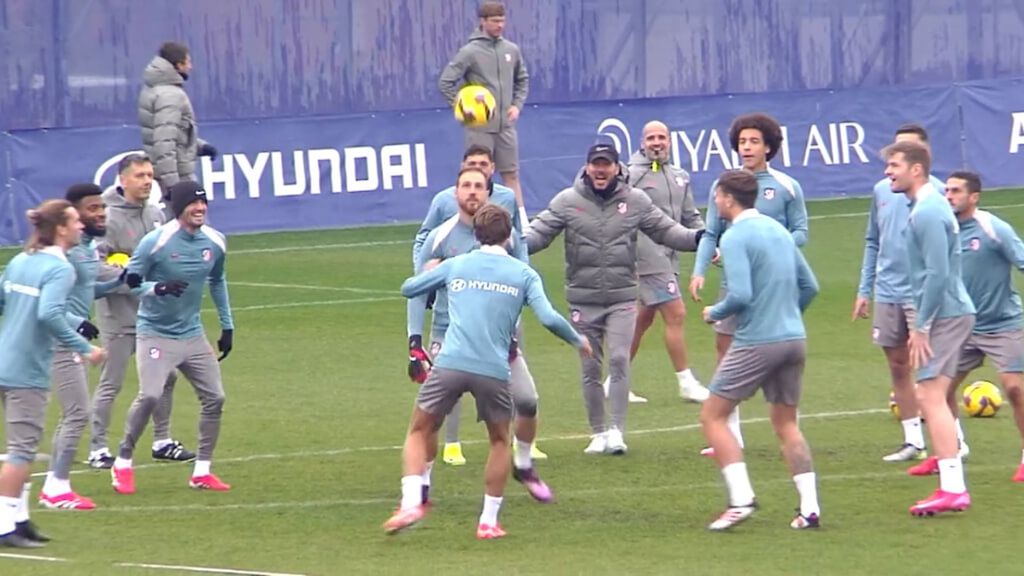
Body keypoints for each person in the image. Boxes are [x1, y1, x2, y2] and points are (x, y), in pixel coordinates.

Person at [384, 199, 592, 539]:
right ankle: (488, 521)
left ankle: (410, 503)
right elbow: (549, 318)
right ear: (508, 236)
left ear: (476, 234)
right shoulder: (524, 273)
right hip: (494, 369)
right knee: (499, 441)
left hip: (450, 363)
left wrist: (430, 270)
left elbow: (409, 289)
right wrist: (577, 340)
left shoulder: (457, 264)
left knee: (419, 430)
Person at [526, 143, 702, 455]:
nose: (600, 170)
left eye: (606, 164)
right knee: (590, 368)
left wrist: (698, 238)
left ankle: (617, 431)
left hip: (622, 296)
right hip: (583, 297)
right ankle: (598, 433)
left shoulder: (635, 201)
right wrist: (502, 244)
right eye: (595, 164)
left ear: (617, 168)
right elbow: (538, 235)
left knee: (619, 358)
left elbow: (667, 231)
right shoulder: (567, 201)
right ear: (587, 167)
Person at [410, 167, 551, 504]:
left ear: (488, 193)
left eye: (479, 186)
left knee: (528, 400)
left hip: (499, 343)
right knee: (432, 416)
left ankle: (524, 463)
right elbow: (415, 291)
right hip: (448, 336)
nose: (472, 192)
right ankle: (424, 481)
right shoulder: (439, 237)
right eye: (466, 186)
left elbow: (524, 279)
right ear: (455, 192)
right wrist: (414, 341)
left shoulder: (508, 238)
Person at [697, 169, 820, 531]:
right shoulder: (779, 231)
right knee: (785, 423)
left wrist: (713, 312)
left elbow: (740, 295)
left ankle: (741, 499)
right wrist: (787, 316)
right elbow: (809, 286)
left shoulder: (735, 237)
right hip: (794, 338)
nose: (715, 201)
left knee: (712, 416)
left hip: (757, 341)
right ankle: (809, 508)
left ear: (728, 198)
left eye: (717, 195)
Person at [689, 112, 809, 457]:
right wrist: (699, 270)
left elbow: (801, 231)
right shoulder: (722, 186)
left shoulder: (786, 187)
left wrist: (769, 247)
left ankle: (787, 427)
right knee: (725, 352)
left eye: (754, 141)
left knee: (777, 357)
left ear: (769, 147)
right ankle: (731, 434)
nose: (747, 147)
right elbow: (711, 231)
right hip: (733, 281)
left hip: (773, 286)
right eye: (742, 141)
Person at [112, 181, 234, 494]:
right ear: (179, 208)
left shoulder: (216, 242)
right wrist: (157, 289)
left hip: (192, 333)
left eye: (203, 204)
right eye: (194, 204)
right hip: (155, 333)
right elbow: (131, 281)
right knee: (151, 395)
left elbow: (217, 281)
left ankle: (202, 471)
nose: (200, 209)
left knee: (215, 398)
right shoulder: (156, 242)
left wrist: (227, 326)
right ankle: (123, 460)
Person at [0, 200, 106, 548]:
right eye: (75, 221)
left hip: (5, 360)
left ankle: (20, 519)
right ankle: (3, 527)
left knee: (24, 447)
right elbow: (49, 314)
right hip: (27, 368)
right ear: (60, 228)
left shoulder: (21, 260)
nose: (81, 226)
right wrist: (84, 347)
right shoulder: (60, 269)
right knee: (21, 451)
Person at [881, 140, 975, 516]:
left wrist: (921, 325)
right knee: (932, 393)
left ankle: (953, 486)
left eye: (894, 166)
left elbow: (938, 272)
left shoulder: (929, 212)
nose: (888, 172)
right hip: (944, 311)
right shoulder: (925, 207)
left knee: (930, 395)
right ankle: (950, 474)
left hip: (946, 314)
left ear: (916, 169)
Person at [853, 124, 950, 463]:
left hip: (920, 293)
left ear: (921, 159)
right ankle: (913, 440)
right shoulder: (882, 190)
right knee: (897, 366)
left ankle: (954, 441)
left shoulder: (939, 195)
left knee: (930, 370)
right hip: (888, 289)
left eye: (904, 153)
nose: (894, 160)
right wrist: (865, 288)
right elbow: (872, 240)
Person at [89, 154, 194, 469]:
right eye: (140, 176)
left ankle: (162, 441)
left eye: (150, 175)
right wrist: (130, 279)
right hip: (118, 315)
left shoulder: (156, 214)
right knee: (113, 381)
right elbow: (96, 267)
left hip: (153, 315)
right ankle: (98, 448)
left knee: (167, 377)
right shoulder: (106, 218)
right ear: (122, 179)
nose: (147, 181)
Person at [38, 185, 125, 511]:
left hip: (70, 336)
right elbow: (48, 302)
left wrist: (118, 282)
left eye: (102, 207)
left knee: (73, 413)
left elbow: (87, 291)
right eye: (91, 209)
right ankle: (55, 487)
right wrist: (77, 322)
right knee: (76, 412)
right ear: (72, 216)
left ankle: (54, 484)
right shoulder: (66, 255)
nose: (100, 213)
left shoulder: (88, 249)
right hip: (59, 339)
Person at [610, 120, 708, 404]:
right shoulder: (630, 174)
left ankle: (613, 381)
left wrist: (706, 241)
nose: (656, 143)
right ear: (642, 143)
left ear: (669, 142)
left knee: (642, 319)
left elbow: (690, 216)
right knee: (675, 313)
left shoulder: (680, 176)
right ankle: (686, 382)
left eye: (661, 138)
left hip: (670, 255)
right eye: (651, 138)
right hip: (645, 255)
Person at [944, 171, 1024, 481]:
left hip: (1002, 323)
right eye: (947, 190)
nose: (949, 196)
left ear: (974, 197)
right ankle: (952, 448)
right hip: (961, 325)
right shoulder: (944, 230)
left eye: (956, 191)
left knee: (1015, 390)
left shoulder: (993, 228)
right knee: (938, 391)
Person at [438, 1, 529, 226]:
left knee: (511, 174)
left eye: (502, 20)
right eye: (495, 21)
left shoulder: (511, 50)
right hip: (479, 129)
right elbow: (446, 82)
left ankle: (520, 223)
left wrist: (517, 104)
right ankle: (473, 221)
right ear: (483, 21)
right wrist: (462, 108)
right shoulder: (470, 51)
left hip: (506, 126)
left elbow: (522, 79)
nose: (500, 25)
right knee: (476, 176)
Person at [138, 41, 218, 217]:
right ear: (178, 65)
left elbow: (172, 134)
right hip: (179, 175)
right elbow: (164, 142)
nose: (191, 66)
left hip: (172, 171)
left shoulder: (156, 88)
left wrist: (199, 147)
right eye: (187, 62)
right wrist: (174, 185)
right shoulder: (170, 95)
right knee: (190, 228)